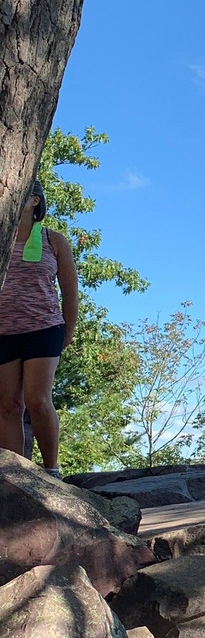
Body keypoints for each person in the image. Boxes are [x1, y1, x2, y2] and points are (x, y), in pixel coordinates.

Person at [0, 180, 78, 478]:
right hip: (3, 332)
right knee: (8, 405)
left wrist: (67, 333)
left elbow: (70, 293)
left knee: (37, 399)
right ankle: (15, 477)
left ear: (35, 201)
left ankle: (51, 472)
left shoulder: (53, 240)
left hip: (44, 328)